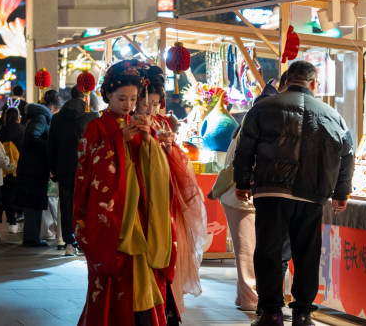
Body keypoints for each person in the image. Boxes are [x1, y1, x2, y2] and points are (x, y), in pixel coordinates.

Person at [233, 60, 354, 326]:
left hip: (271, 192)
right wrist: (341, 193)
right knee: (307, 254)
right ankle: (302, 314)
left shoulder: (263, 108)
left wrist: (242, 182)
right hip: (312, 196)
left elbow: (245, 148)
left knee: (269, 252)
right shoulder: (333, 114)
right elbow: (347, 155)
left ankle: (272, 313)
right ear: (313, 83)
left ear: (286, 81)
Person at [74, 59, 175, 326]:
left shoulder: (141, 123)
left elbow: (154, 168)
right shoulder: (95, 127)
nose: (129, 105)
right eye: (122, 98)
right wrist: (119, 141)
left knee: (142, 268)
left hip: (140, 211)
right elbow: (85, 168)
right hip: (114, 214)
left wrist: (159, 147)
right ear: (107, 95)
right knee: (113, 270)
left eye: (133, 99)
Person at [208, 78, 288, 314]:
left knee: (249, 249)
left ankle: (244, 296)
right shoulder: (251, 131)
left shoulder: (250, 128)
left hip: (245, 197)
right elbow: (239, 165)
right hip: (239, 197)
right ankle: (251, 299)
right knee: (247, 252)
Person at [136, 64, 207, 315]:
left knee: (170, 244)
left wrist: (169, 148)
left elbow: (178, 159)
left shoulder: (162, 121)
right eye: (147, 103)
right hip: (142, 192)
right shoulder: (131, 123)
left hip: (166, 191)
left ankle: (168, 305)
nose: (151, 108)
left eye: (155, 103)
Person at [47, 85, 100, 256]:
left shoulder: (57, 118)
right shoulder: (93, 117)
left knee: (67, 205)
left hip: (64, 168)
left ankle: (70, 243)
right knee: (88, 203)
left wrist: (53, 169)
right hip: (88, 168)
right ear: (86, 98)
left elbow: (51, 146)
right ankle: (87, 240)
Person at [15, 90, 61, 247]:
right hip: (33, 167)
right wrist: (50, 147)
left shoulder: (38, 116)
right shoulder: (41, 117)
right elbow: (32, 138)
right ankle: (31, 239)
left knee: (33, 204)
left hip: (32, 166)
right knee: (33, 204)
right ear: (53, 107)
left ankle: (32, 237)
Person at [0, 107, 25, 233]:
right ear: (18, 117)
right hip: (20, 167)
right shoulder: (22, 129)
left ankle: (12, 222)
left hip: (4, 168)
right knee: (20, 191)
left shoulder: (2, 131)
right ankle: (20, 214)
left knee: (7, 194)